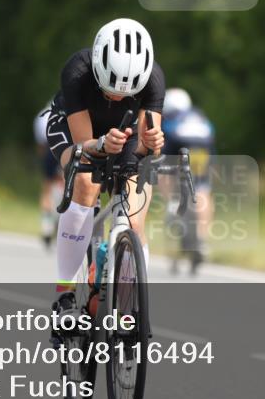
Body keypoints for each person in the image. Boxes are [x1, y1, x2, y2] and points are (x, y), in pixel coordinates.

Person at [43, 18, 165, 319]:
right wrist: (100, 145)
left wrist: (153, 142)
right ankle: (65, 295)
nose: (118, 98)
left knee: (135, 217)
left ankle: (128, 305)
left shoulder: (153, 79)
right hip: (76, 129)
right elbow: (85, 144)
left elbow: (146, 150)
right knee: (85, 180)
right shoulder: (77, 71)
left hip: (123, 134)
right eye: (110, 90)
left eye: (127, 93)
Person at [161, 87, 215, 271]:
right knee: (202, 187)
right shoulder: (199, 115)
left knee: (164, 170)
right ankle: (201, 238)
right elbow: (211, 136)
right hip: (202, 148)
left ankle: (172, 201)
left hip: (176, 144)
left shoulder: (169, 117)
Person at [34, 103, 64, 249]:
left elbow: (40, 144)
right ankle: (60, 221)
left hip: (48, 148)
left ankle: (46, 226)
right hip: (65, 146)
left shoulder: (43, 113)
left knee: (47, 187)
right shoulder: (75, 102)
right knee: (66, 185)